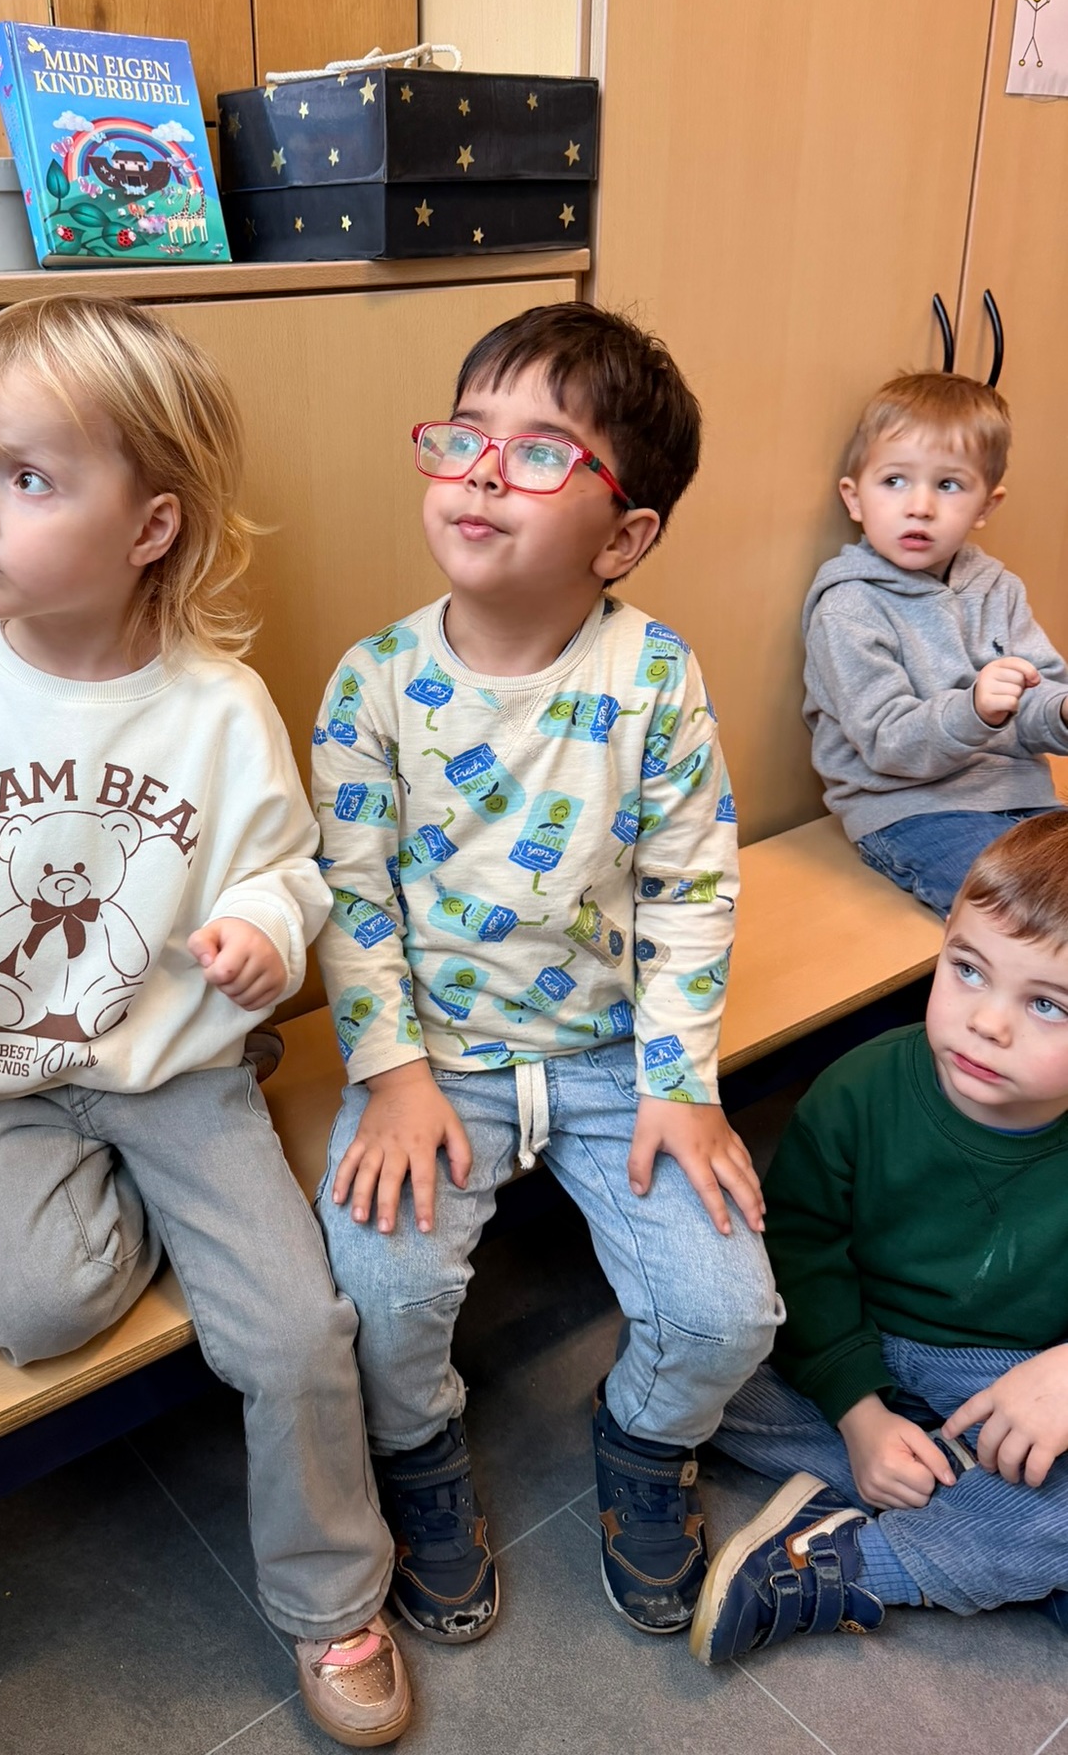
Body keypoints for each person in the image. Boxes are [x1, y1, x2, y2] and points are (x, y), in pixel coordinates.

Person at [0, 296, 411, 1747]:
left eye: (27, 476)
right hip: (14, 1081)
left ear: (150, 527)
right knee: (36, 1312)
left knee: (295, 1331)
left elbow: (283, 868)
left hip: (181, 1074)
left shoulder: (218, 706)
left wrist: (260, 935)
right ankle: (149, 1208)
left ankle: (333, 1597)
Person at [310, 302, 780, 1649]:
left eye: (535, 453)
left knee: (728, 1313)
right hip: (436, 1055)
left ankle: (645, 1440)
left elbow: (694, 887)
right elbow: (351, 896)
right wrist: (393, 1074)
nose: (478, 473)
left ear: (622, 536)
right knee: (376, 1292)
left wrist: (680, 1084)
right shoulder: (374, 683)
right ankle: (417, 1453)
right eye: (464, 437)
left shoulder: (655, 677)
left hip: (613, 1056)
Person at [692, 810, 1068, 1664]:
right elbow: (798, 1255)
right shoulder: (859, 1088)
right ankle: (990, 1530)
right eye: (967, 970)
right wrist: (859, 1415)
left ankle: (849, 1563)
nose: (988, 1023)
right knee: (693, 1370)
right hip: (852, 1339)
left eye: (1047, 1004)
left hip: (1008, 1376)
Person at [803, 371, 1068, 918]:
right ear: (854, 498)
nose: (920, 506)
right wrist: (975, 711)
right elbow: (886, 743)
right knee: (1026, 918)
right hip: (913, 810)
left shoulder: (998, 587)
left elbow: (1039, 696)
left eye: (948, 485)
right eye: (895, 481)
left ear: (986, 506)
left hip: (1024, 795)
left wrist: (1061, 711)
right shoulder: (848, 606)